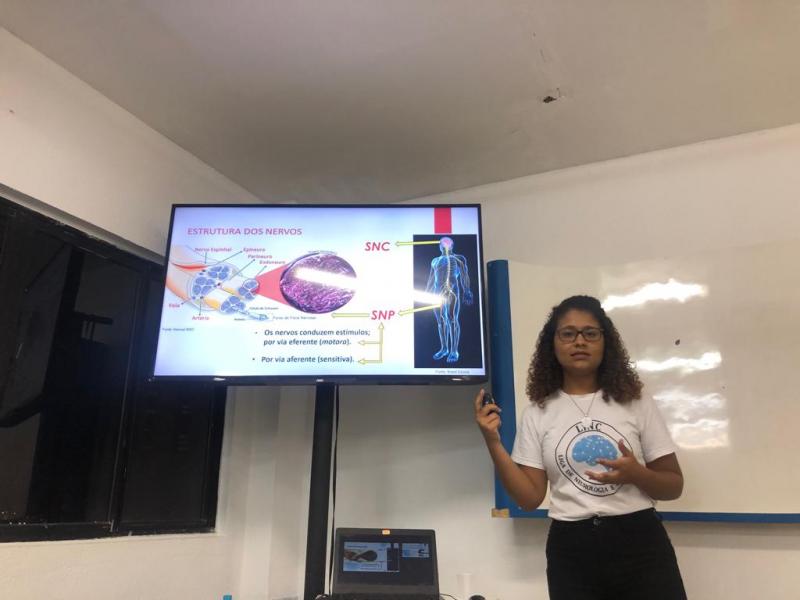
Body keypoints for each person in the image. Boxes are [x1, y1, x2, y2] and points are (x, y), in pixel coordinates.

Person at [474, 295, 686, 600]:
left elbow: (673, 485)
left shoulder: (635, 402)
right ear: (553, 344)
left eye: (590, 333)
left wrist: (636, 474)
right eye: (568, 333)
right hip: (571, 548)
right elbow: (529, 498)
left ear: (605, 342)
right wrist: (492, 440)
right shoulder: (538, 412)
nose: (580, 342)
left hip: (640, 542)